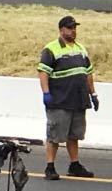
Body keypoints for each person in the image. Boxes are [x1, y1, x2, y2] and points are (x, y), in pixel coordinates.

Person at [37, 15, 98, 181]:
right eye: (70, 28)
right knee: (55, 135)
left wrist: (93, 94)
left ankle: (74, 164)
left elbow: (88, 73)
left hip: (78, 101)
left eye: (74, 28)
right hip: (60, 101)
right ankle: (50, 166)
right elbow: (43, 73)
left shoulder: (80, 49)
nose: (73, 31)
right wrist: (46, 93)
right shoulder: (51, 49)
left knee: (74, 135)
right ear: (61, 30)